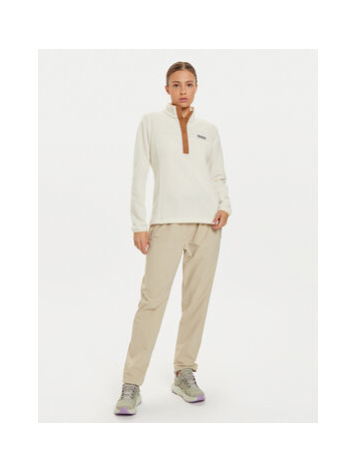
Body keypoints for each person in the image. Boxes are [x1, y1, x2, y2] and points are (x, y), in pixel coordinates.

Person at [114, 61, 232, 415]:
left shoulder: (209, 130)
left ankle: (184, 373)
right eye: (176, 84)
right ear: (166, 89)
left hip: (207, 225)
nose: (183, 90)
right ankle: (132, 383)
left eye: (189, 84)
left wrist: (224, 204)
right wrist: (139, 223)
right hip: (165, 223)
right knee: (152, 302)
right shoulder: (151, 123)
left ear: (196, 88)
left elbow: (218, 174)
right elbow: (138, 175)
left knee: (196, 303)